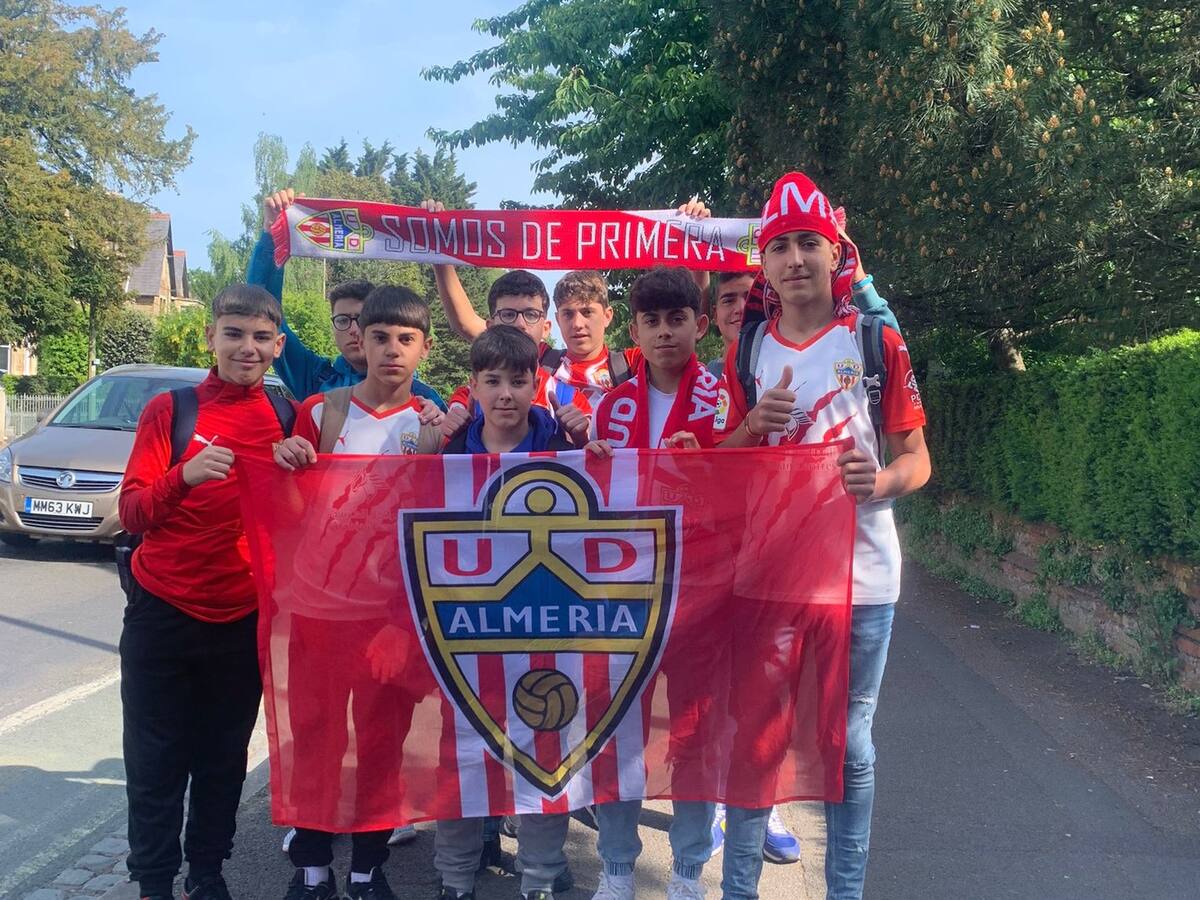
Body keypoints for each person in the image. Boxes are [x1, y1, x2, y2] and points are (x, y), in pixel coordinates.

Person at [715, 172, 931, 900]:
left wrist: (881, 482)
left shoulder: (875, 340)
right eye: (781, 247)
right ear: (765, 266)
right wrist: (752, 429)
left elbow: (917, 460)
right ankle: (737, 889)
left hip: (863, 575)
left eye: (810, 243)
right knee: (758, 741)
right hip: (769, 575)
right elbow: (723, 463)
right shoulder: (748, 351)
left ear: (836, 254)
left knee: (851, 746)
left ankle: (845, 892)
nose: (796, 259)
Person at [118, 284, 296, 900]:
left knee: (222, 762)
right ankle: (154, 883)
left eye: (260, 337)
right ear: (212, 338)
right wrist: (184, 477)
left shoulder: (285, 415)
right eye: (234, 333)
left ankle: (209, 874)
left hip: (241, 618)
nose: (247, 347)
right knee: (155, 762)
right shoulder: (172, 410)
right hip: (161, 612)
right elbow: (132, 512)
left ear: (276, 346)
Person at [271, 285, 444, 900]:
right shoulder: (322, 412)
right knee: (314, 737)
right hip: (319, 608)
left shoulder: (432, 424)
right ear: (359, 342)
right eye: (380, 337)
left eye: (406, 339)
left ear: (424, 347)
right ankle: (312, 868)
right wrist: (287, 464)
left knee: (380, 742)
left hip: (388, 614)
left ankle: (370, 866)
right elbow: (292, 515)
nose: (392, 350)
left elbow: (435, 521)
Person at [584, 266, 723, 900]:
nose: (665, 332)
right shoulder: (609, 407)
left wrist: (710, 471)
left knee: (695, 733)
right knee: (616, 730)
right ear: (635, 329)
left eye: (677, 319)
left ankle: (689, 869)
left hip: (700, 590)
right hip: (624, 594)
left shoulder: (725, 398)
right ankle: (616, 867)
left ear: (700, 322)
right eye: (652, 321)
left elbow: (751, 492)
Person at [435, 325, 576, 900]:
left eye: (518, 381)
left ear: (536, 385)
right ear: (472, 386)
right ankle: (454, 878)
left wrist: (592, 450)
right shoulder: (444, 451)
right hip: (465, 631)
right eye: (492, 381)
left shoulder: (564, 449)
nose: (505, 395)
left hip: (545, 629)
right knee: (461, 762)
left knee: (547, 755)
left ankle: (539, 877)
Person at [428, 199, 713, 413]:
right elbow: (468, 324)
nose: (578, 323)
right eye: (568, 314)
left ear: (608, 315)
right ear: (555, 320)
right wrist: (439, 251)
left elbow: (686, 314)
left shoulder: (633, 362)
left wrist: (698, 242)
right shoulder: (539, 357)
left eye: (587, 312)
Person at [249, 188, 445, 411]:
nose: (354, 330)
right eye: (343, 320)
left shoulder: (427, 402)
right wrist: (273, 235)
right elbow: (262, 315)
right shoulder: (317, 380)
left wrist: (437, 234)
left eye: (361, 320)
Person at [436, 266, 590, 447]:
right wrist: (459, 438)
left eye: (531, 314)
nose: (519, 324)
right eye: (508, 314)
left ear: (546, 328)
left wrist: (581, 441)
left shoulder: (570, 400)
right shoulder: (466, 398)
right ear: (490, 326)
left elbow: (589, 466)